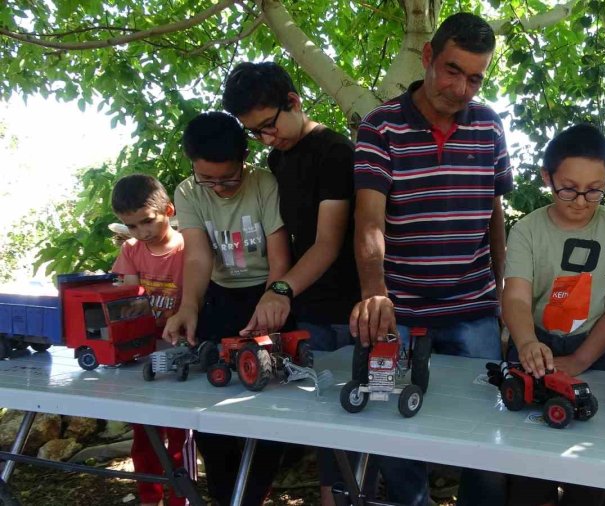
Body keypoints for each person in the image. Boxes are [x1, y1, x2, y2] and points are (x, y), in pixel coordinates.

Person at [351, 12, 512, 506]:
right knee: (394, 432)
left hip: (473, 308)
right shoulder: (380, 126)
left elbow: (494, 214)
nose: (462, 88)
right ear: (428, 58)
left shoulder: (489, 127)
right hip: (399, 311)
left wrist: (504, 292)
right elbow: (369, 222)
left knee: (488, 428)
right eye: (452, 70)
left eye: (475, 77)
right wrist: (375, 292)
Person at [222, 60, 359, 506]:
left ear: (294, 102)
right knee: (322, 421)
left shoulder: (335, 152)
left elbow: (327, 243)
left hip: (352, 309)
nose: (266, 139)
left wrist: (279, 290)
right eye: (255, 133)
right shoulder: (278, 159)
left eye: (268, 125)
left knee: (362, 419)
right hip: (310, 308)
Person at [502, 124, 605, 506]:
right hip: (536, 346)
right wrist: (527, 341)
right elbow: (515, 298)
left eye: (595, 189)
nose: (581, 201)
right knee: (529, 463)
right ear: (547, 177)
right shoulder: (527, 230)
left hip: (596, 350)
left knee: (590, 462)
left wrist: (582, 359)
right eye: (568, 188)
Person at [162, 111, 291, 505]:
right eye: (208, 179)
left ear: (243, 158)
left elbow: (279, 255)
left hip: (266, 294)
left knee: (268, 408)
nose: (218, 187)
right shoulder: (188, 192)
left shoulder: (264, 183)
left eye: (228, 178)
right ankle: (224, 494)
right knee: (210, 413)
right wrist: (189, 307)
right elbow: (198, 258)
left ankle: (252, 495)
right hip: (219, 299)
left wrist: (275, 297)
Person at [110, 174, 194, 506]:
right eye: (131, 226)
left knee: (180, 436)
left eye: (146, 221)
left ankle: (180, 499)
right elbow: (128, 296)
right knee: (144, 434)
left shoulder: (190, 247)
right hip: (142, 355)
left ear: (168, 210)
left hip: (180, 352)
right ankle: (149, 496)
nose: (141, 232)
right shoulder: (131, 251)